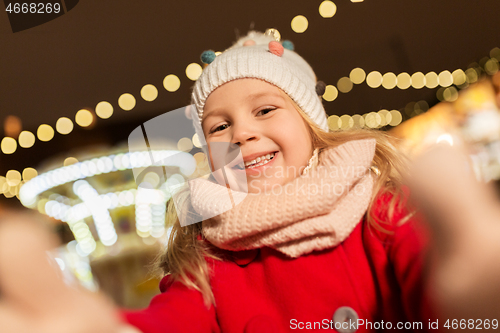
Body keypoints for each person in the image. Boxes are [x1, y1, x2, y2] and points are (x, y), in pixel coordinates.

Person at [0, 30, 433, 333]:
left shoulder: (379, 203)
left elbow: (433, 282)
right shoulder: (208, 254)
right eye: (218, 127)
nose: (241, 134)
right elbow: (173, 320)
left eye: (265, 110)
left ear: (310, 124)